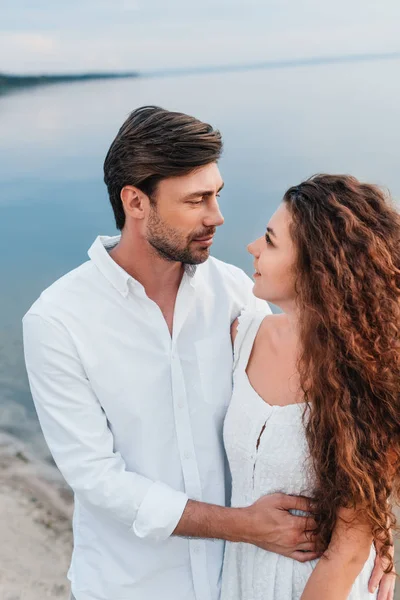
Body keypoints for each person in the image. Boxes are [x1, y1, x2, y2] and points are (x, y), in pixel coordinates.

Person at [23, 106, 319, 600]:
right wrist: (243, 526)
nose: (217, 217)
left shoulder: (235, 293)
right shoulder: (57, 321)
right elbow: (97, 479)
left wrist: (368, 535)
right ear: (136, 202)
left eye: (217, 194)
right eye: (196, 200)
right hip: (128, 587)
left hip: (238, 584)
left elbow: (306, 410)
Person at [221, 174, 399, 600]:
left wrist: (383, 519)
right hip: (239, 578)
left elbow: (344, 558)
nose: (252, 248)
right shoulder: (241, 336)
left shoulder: (375, 385)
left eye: (270, 240)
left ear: (318, 268)